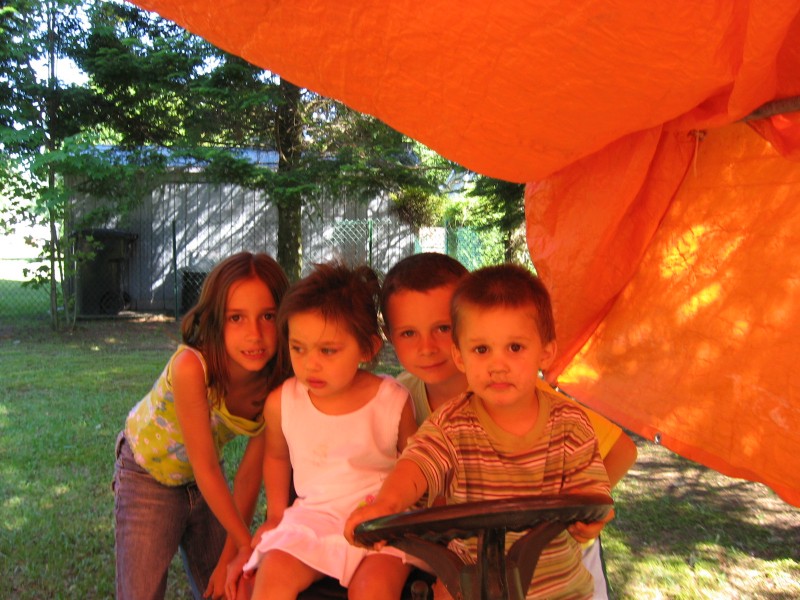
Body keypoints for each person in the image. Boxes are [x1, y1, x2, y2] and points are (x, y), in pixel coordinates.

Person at [347, 263, 614, 600]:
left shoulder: (570, 426)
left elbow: (591, 489)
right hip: (471, 585)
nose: (497, 365)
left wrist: (592, 514)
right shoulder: (450, 425)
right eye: (482, 350)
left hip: (558, 590)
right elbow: (418, 465)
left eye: (514, 348)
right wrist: (387, 503)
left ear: (545, 353)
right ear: (460, 357)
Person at [227, 262, 418, 600]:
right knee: (273, 574)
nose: (310, 363)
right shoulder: (283, 402)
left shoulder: (391, 401)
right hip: (313, 518)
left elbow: (417, 464)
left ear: (368, 348)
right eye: (298, 348)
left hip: (381, 520)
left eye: (327, 350)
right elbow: (276, 457)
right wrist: (275, 515)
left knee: (373, 589)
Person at [113, 252, 292, 600]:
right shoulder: (191, 366)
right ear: (215, 320)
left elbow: (249, 476)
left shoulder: (278, 384)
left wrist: (233, 555)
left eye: (268, 316)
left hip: (205, 482)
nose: (254, 334)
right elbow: (205, 465)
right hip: (146, 474)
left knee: (227, 586)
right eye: (236, 318)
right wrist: (244, 542)